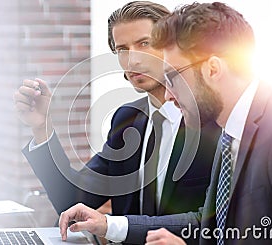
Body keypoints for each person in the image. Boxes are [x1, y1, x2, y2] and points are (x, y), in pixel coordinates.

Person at [59, 2, 272, 244]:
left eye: (174, 77)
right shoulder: (232, 129)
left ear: (212, 69)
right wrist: (109, 225)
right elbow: (208, 225)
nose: (170, 95)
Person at [14, 1, 220, 243]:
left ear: (171, 46)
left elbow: (214, 225)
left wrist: (111, 226)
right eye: (122, 49)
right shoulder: (128, 119)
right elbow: (72, 201)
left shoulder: (213, 122)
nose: (133, 60)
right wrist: (42, 127)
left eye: (145, 43)